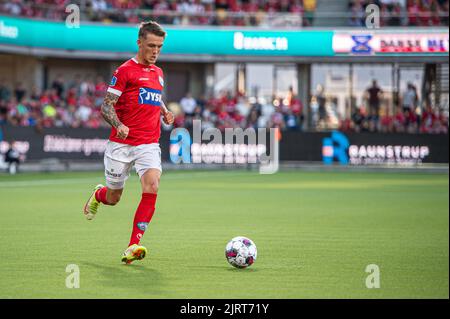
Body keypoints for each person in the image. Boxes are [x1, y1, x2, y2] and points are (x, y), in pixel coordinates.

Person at [82, 21, 174, 264]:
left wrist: (163, 110)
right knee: (114, 198)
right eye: (151, 46)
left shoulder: (159, 73)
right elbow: (106, 106)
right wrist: (118, 124)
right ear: (139, 43)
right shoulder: (124, 71)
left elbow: (154, 95)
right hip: (121, 145)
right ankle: (97, 194)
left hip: (148, 143)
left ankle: (134, 244)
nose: (155, 51)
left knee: (152, 185)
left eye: (160, 47)